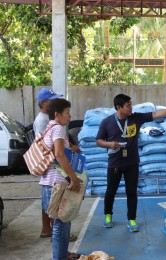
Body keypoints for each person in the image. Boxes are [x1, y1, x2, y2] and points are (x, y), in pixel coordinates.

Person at [96, 94, 166, 232]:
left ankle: (131, 219)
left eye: (131, 104)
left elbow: (156, 114)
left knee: (131, 192)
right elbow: (98, 141)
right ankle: (108, 215)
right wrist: (110, 144)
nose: (131, 107)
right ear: (119, 107)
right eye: (128, 105)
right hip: (115, 163)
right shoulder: (107, 122)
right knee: (110, 191)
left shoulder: (136, 118)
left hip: (132, 163)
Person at [42, 98, 82, 260]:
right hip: (57, 183)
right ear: (57, 114)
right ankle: (60, 257)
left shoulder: (49, 128)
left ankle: (63, 254)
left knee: (62, 221)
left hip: (48, 182)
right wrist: (74, 178)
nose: (70, 116)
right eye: (67, 113)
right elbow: (59, 154)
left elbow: (59, 151)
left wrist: (71, 148)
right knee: (61, 223)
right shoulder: (58, 129)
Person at [33, 88, 62, 239]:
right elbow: (40, 144)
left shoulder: (46, 118)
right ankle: (57, 232)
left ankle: (47, 229)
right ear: (44, 103)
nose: (56, 102)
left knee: (48, 200)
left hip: (49, 164)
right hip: (49, 165)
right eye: (53, 100)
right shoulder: (42, 121)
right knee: (53, 201)